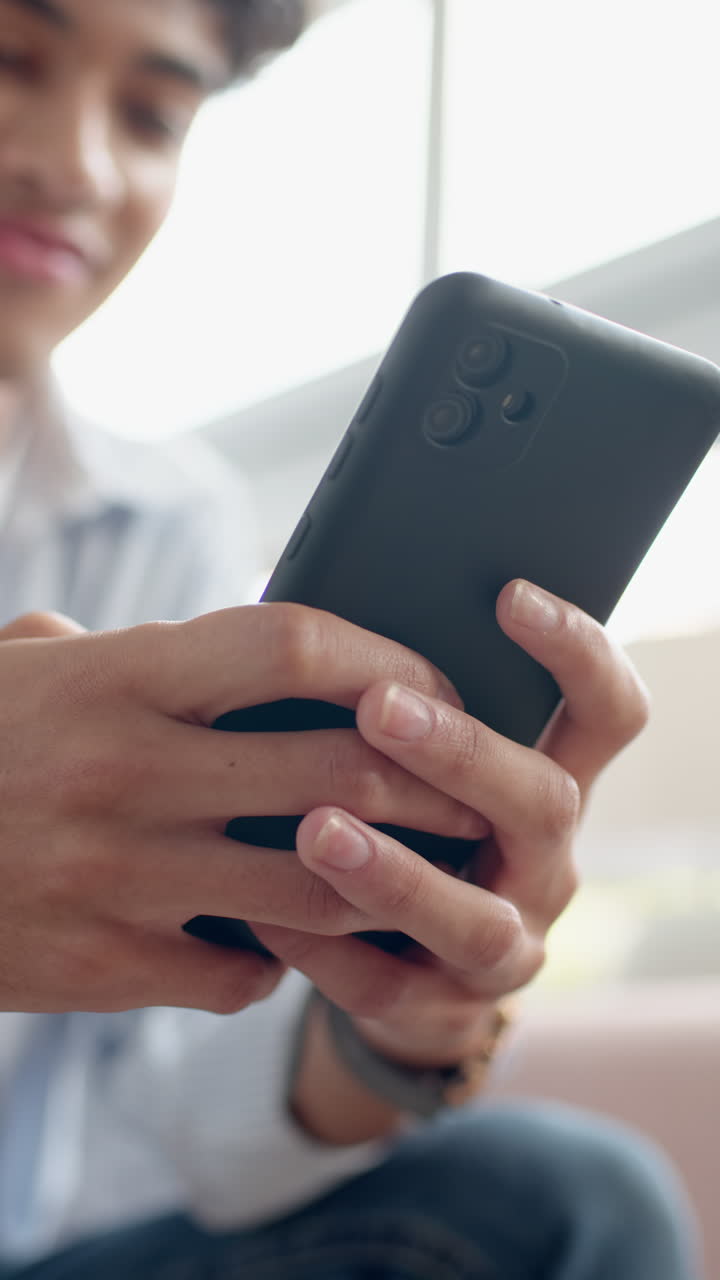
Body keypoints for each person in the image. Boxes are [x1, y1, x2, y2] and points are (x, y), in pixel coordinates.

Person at [0, 2, 702, 1277]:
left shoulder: (164, 532)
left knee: (563, 1202)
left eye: (152, 113)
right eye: (9, 59)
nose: (79, 165)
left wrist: (407, 1016)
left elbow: (185, 1128)